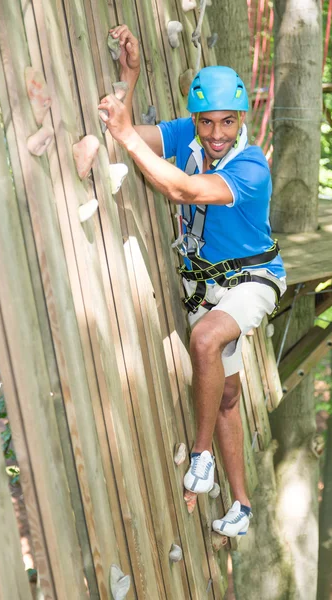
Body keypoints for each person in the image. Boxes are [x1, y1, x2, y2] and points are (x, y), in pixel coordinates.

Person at [99, 25, 286, 538]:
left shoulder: (251, 167)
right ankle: (242, 505)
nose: (218, 133)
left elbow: (180, 189)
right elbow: (134, 132)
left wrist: (126, 135)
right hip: (204, 285)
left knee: (204, 340)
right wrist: (129, 77)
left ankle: (200, 458)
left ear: (242, 118)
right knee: (225, 394)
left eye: (228, 121)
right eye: (208, 122)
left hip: (253, 280)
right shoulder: (188, 134)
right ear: (197, 118)